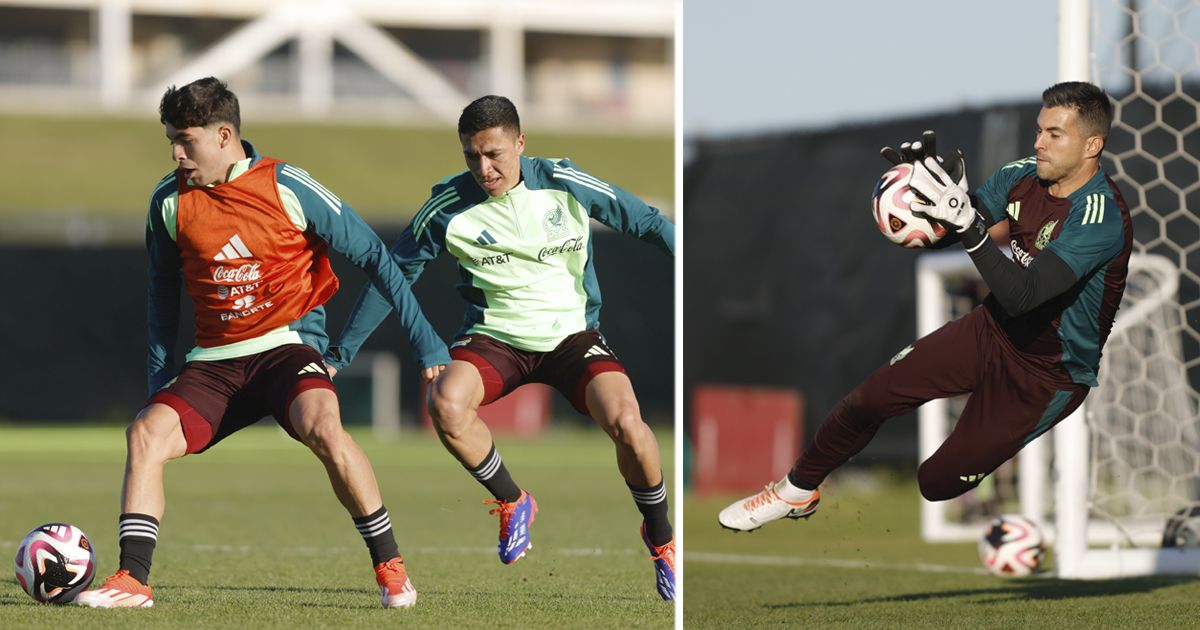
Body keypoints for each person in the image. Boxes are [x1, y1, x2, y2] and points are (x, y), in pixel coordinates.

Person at [74, 77, 450, 609]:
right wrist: (159, 381)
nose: (177, 154)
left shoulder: (288, 187)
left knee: (324, 424)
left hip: (287, 349)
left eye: (186, 140)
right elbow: (161, 293)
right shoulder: (168, 201)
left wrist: (428, 343)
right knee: (145, 434)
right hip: (215, 365)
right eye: (171, 142)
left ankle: (390, 567)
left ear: (224, 134)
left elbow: (376, 259)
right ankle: (134, 580)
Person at [719, 81, 1132, 532]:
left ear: (1092, 144)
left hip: (1047, 373)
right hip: (993, 329)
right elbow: (959, 222)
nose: (1039, 142)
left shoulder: (1100, 217)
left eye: (1055, 134)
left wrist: (965, 225)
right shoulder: (1021, 174)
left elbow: (1025, 293)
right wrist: (923, 200)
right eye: (1039, 130)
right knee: (867, 399)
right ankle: (795, 490)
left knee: (935, 483)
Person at [324, 95, 677, 600]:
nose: (484, 168)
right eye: (473, 156)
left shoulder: (562, 181)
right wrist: (340, 354)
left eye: (495, 154)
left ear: (520, 143)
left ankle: (661, 539)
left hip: (573, 337)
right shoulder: (448, 206)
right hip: (495, 337)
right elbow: (390, 277)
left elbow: (643, 220)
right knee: (444, 402)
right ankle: (513, 501)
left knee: (629, 425)